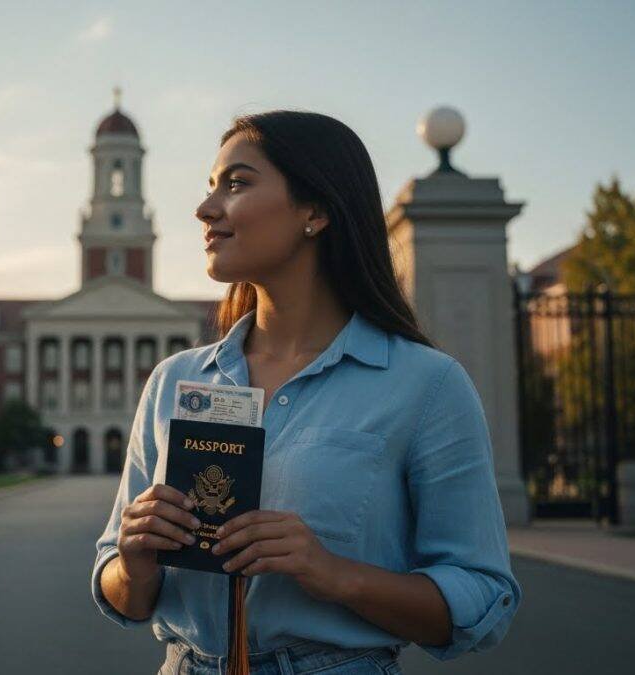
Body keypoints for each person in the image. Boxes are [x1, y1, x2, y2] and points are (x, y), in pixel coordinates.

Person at [90, 110, 521, 675]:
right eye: (210, 186)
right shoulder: (175, 380)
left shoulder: (426, 385)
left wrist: (333, 573)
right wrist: (134, 563)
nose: (205, 209)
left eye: (236, 183)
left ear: (315, 212)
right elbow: (122, 591)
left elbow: (482, 597)